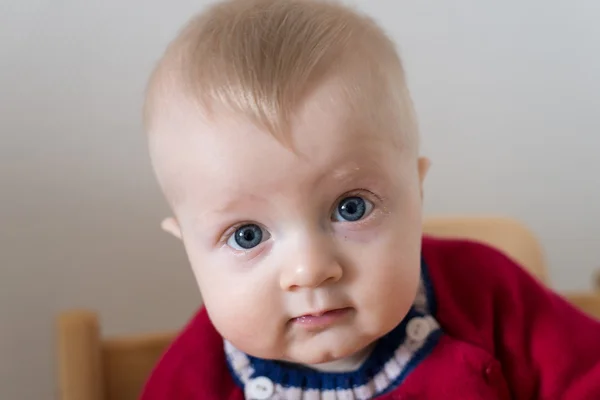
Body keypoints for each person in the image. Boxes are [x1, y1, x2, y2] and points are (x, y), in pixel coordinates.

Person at [140, 0, 600, 398]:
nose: (310, 269)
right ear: (188, 245)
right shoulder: (192, 380)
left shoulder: (488, 296)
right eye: (246, 235)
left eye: (350, 207)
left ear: (416, 190)